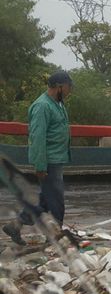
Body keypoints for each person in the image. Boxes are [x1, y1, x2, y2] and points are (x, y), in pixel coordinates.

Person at [3, 71, 73, 246]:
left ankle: (15, 225)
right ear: (59, 87)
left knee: (46, 199)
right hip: (48, 160)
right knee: (56, 200)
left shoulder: (58, 104)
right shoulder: (42, 106)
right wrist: (40, 166)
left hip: (57, 158)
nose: (69, 91)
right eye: (68, 87)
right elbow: (37, 138)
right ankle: (56, 237)